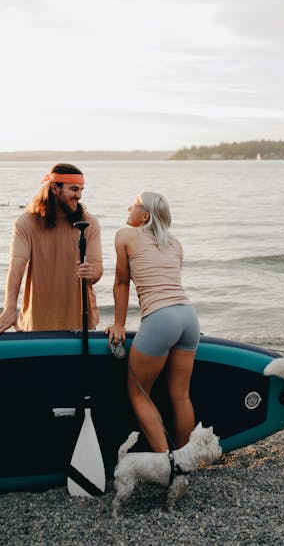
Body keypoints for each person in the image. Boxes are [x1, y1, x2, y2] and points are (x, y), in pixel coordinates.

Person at [105, 191, 200, 452]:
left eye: (133, 205)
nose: (128, 208)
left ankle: (166, 461)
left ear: (144, 216)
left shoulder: (125, 235)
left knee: (138, 393)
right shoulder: (176, 243)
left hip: (161, 318)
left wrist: (119, 324)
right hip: (188, 317)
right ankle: (184, 461)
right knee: (181, 395)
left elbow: (122, 282)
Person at [0, 163, 103, 334]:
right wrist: (10, 308)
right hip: (37, 320)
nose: (79, 196)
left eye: (81, 190)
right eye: (74, 189)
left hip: (80, 322)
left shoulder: (89, 223)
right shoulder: (26, 222)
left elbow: (97, 267)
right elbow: (16, 267)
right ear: (55, 188)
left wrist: (92, 273)